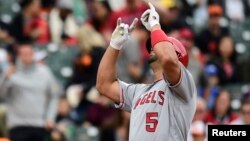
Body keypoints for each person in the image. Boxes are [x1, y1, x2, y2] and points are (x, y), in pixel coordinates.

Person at [96, 3, 197, 141]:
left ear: (177, 55)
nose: (152, 48)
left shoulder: (185, 84)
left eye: (158, 45)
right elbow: (104, 85)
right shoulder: (138, 91)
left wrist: (155, 25)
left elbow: (168, 60)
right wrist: (114, 45)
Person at [0, 43, 62, 141]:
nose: (26, 57)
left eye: (29, 53)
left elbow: (54, 95)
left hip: (39, 124)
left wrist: (50, 117)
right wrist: (5, 78)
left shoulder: (44, 72)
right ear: (19, 56)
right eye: (23, 54)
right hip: (17, 125)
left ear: (33, 54)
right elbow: (2, 95)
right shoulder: (11, 73)